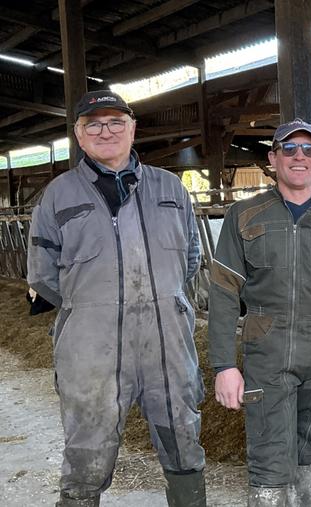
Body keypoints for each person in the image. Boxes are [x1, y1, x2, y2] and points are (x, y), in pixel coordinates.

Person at [27, 90, 205, 507]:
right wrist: (90, 309)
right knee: (86, 448)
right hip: (91, 349)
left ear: (132, 129)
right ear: (79, 134)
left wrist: (164, 299)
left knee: (182, 437)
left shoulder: (170, 188)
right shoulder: (58, 195)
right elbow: (41, 274)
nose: (105, 131)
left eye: (115, 122)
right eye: (94, 124)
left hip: (168, 345)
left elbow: (192, 257)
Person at [208, 118, 311, 506]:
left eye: (308, 150)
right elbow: (222, 295)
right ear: (273, 158)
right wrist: (224, 365)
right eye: (288, 149)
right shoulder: (245, 216)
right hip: (268, 353)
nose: (298, 157)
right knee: (269, 455)